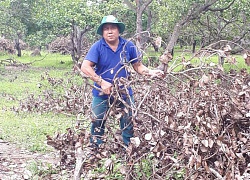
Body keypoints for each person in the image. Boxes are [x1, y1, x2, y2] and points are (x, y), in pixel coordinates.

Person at [81, 15, 163, 147]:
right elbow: (85, 66)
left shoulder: (128, 46)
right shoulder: (97, 47)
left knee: (128, 119)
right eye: (106, 28)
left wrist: (151, 72)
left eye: (112, 28)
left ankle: (128, 148)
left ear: (118, 30)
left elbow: (138, 66)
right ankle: (96, 148)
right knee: (97, 120)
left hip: (124, 91)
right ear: (102, 32)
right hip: (102, 93)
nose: (109, 31)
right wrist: (101, 82)